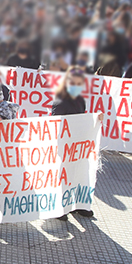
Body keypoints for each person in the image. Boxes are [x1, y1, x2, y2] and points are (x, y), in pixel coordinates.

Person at [50, 66, 95, 219]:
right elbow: (56, 125)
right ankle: (60, 206)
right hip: (65, 145)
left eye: (79, 83)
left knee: (80, 173)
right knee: (66, 175)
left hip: (78, 145)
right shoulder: (60, 101)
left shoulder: (81, 100)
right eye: (73, 83)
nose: (76, 86)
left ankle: (79, 204)